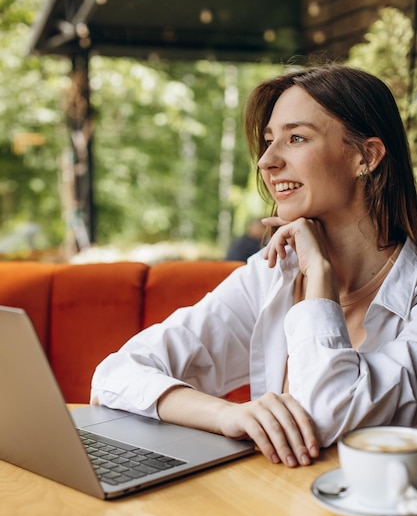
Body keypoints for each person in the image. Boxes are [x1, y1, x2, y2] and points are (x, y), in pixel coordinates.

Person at [91, 64, 417, 469]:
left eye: (296, 138)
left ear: (365, 156)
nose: (266, 161)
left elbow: (327, 413)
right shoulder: (271, 274)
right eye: (268, 142)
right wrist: (228, 415)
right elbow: (115, 375)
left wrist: (319, 276)